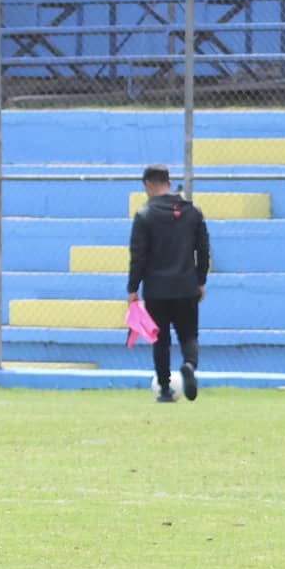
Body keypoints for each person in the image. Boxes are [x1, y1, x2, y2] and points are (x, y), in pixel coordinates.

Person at [128, 165, 209, 404]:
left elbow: (138, 256)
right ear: (169, 183)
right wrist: (201, 281)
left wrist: (133, 288)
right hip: (186, 286)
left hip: (156, 289)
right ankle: (189, 366)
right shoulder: (192, 211)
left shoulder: (145, 215)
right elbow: (203, 250)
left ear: (148, 186)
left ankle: (165, 389)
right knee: (188, 335)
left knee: (160, 340)